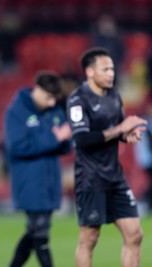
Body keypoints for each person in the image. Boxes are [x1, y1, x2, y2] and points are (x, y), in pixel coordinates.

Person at [67, 47, 146, 267]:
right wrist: (121, 128)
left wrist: (127, 134)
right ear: (90, 72)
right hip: (91, 179)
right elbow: (82, 139)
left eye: (112, 68)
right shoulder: (78, 99)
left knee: (134, 234)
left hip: (115, 178)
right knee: (89, 238)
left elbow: (117, 130)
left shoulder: (114, 95)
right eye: (105, 69)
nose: (111, 73)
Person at [5, 71, 72, 267]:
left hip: (50, 181)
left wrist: (65, 139)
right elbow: (17, 147)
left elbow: (64, 145)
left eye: (55, 98)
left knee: (35, 231)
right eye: (49, 97)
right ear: (38, 89)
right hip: (29, 181)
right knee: (40, 233)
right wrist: (55, 138)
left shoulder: (55, 111)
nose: (52, 103)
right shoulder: (16, 111)